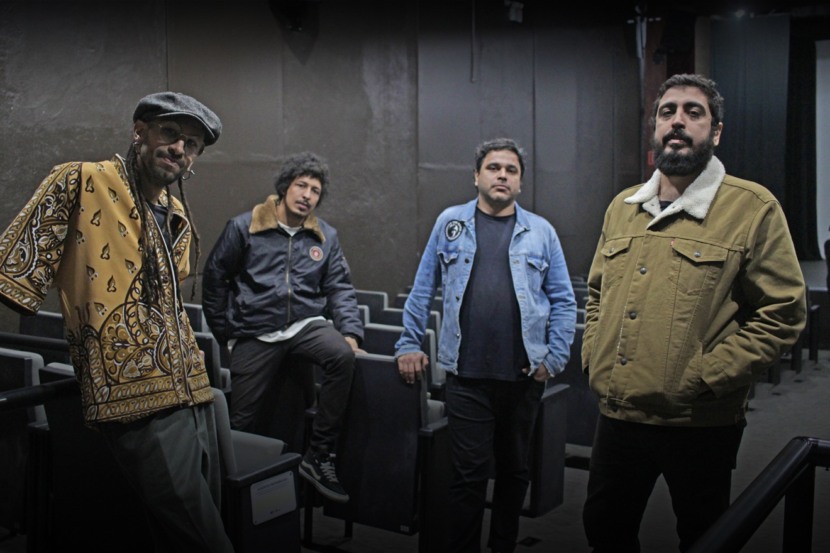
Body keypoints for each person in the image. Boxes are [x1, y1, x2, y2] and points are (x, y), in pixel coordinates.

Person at [581, 73, 807, 552]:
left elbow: (783, 312)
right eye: (667, 112)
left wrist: (706, 377)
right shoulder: (622, 207)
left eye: (693, 112)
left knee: (705, 537)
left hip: (699, 421)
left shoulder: (752, 208)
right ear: (655, 128)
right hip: (618, 414)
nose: (677, 121)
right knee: (605, 531)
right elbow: (597, 294)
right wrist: (594, 357)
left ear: (716, 131)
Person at [0, 92, 234, 551]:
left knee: (186, 528)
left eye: (191, 144)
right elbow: (16, 270)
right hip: (133, 395)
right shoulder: (80, 181)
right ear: (139, 131)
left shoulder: (176, 214)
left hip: (193, 386)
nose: (179, 149)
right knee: (204, 539)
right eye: (170, 133)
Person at [395, 138, 577, 553]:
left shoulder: (541, 232)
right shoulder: (450, 223)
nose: (502, 175)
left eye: (511, 170)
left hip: (523, 377)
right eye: (494, 168)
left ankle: (503, 546)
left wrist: (554, 357)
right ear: (476, 176)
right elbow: (422, 290)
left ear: (520, 182)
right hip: (467, 377)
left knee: (514, 473)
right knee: (469, 477)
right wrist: (408, 343)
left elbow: (564, 300)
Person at [201, 151, 364, 504]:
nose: (307, 195)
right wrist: (226, 332)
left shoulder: (325, 236)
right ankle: (226, 501)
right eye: (301, 185)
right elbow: (214, 278)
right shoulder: (244, 227)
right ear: (285, 186)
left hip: (305, 324)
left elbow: (339, 287)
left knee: (342, 356)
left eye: (315, 190)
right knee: (241, 421)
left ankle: (319, 455)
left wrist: (350, 333)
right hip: (255, 329)